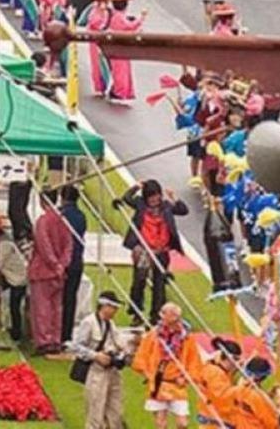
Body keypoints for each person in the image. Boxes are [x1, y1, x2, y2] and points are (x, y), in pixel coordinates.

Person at [122, 179, 188, 324]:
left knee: (159, 285)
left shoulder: (166, 206)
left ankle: (156, 316)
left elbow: (183, 210)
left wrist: (173, 197)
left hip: (162, 250)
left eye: (156, 196)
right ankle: (137, 312)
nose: (153, 200)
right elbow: (126, 198)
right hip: (145, 250)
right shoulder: (140, 204)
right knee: (139, 281)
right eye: (150, 197)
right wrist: (136, 187)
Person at [131, 302, 199, 429]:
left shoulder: (187, 338)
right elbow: (140, 359)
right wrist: (150, 375)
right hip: (158, 385)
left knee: (182, 423)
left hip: (177, 385)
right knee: (160, 423)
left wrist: (185, 379)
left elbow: (194, 363)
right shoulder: (153, 335)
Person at [71, 291, 127, 429]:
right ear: (104, 306)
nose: (116, 311)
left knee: (115, 411)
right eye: (113, 307)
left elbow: (119, 343)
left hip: (112, 372)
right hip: (95, 371)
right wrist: (96, 356)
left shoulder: (111, 324)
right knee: (95, 411)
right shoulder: (88, 322)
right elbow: (76, 346)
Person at [27, 188, 73, 354]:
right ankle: (55, 339)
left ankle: (44, 341)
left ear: (42, 201)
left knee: (42, 308)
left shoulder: (43, 221)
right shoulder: (63, 220)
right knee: (56, 307)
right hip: (59, 272)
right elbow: (69, 246)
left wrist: (54, 264)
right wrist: (62, 265)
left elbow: (44, 245)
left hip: (43, 270)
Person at [58, 183, 87, 342]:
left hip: (64, 261)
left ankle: (58, 332)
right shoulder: (81, 216)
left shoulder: (61, 215)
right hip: (77, 261)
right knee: (70, 298)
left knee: (58, 299)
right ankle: (66, 335)